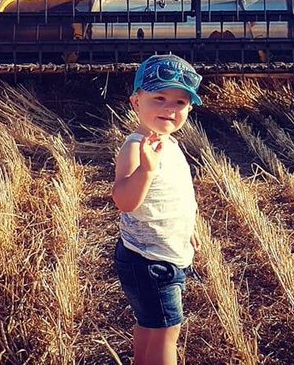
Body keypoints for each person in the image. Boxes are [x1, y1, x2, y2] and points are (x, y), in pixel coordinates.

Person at [112, 54, 203, 365]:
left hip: (167, 252)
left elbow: (175, 198)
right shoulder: (135, 147)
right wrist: (146, 172)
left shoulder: (171, 144)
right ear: (136, 102)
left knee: (151, 325)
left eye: (180, 102)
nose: (169, 107)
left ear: (189, 109)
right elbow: (125, 201)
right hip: (148, 260)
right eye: (159, 97)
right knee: (167, 331)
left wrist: (188, 233)